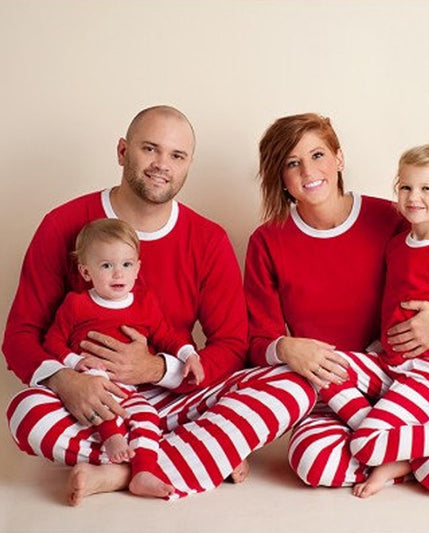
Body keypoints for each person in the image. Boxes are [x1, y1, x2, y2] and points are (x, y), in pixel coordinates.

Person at [4, 105, 316, 505]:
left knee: (294, 386)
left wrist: (157, 368)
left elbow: (233, 345)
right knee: (25, 413)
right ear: (122, 151)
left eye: (176, 155)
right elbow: (20, 335)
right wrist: (67, 382)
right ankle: (200, 455)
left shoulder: (207, 239)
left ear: (188, 165)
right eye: (149, 149)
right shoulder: (62, 224)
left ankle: (120, 472)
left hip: (178, 398)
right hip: (101, 403)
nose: (161, 165)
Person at [244, 112, 429, 498]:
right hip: (336, 387)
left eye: (317, 155)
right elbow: (255, 339)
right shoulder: (267, 241)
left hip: (408, 380)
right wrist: (284, 347)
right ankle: (421, 446)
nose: (308, 171)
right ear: (279, 176)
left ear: (339, 159)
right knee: (313, 461)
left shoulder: (393, 218)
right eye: (291, 163)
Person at [43, 218, 203, 499]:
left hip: (134, 388)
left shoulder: (145, 303)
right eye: (106, 266)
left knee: (146, 415)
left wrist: (189, 354)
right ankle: (112, 438)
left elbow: (167, 336)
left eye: (126, 265)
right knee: (97, 382)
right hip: (92, 380)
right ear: (86, 271)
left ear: (138, 268)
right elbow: (52, 340)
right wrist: (74, 362)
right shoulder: (77, 304)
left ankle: (142, 472)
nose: (118, 274)